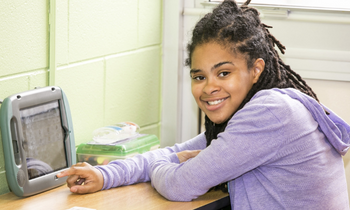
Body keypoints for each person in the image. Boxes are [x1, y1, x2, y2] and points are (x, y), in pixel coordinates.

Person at [57, 0, 350, 209]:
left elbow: (179, 186)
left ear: (256, 69)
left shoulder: (270, 114)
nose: (209, 87)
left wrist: (182, 164)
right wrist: (106, 174)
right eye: (199, 76)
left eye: (224, 72)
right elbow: (175, 154)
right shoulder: (256, 111)